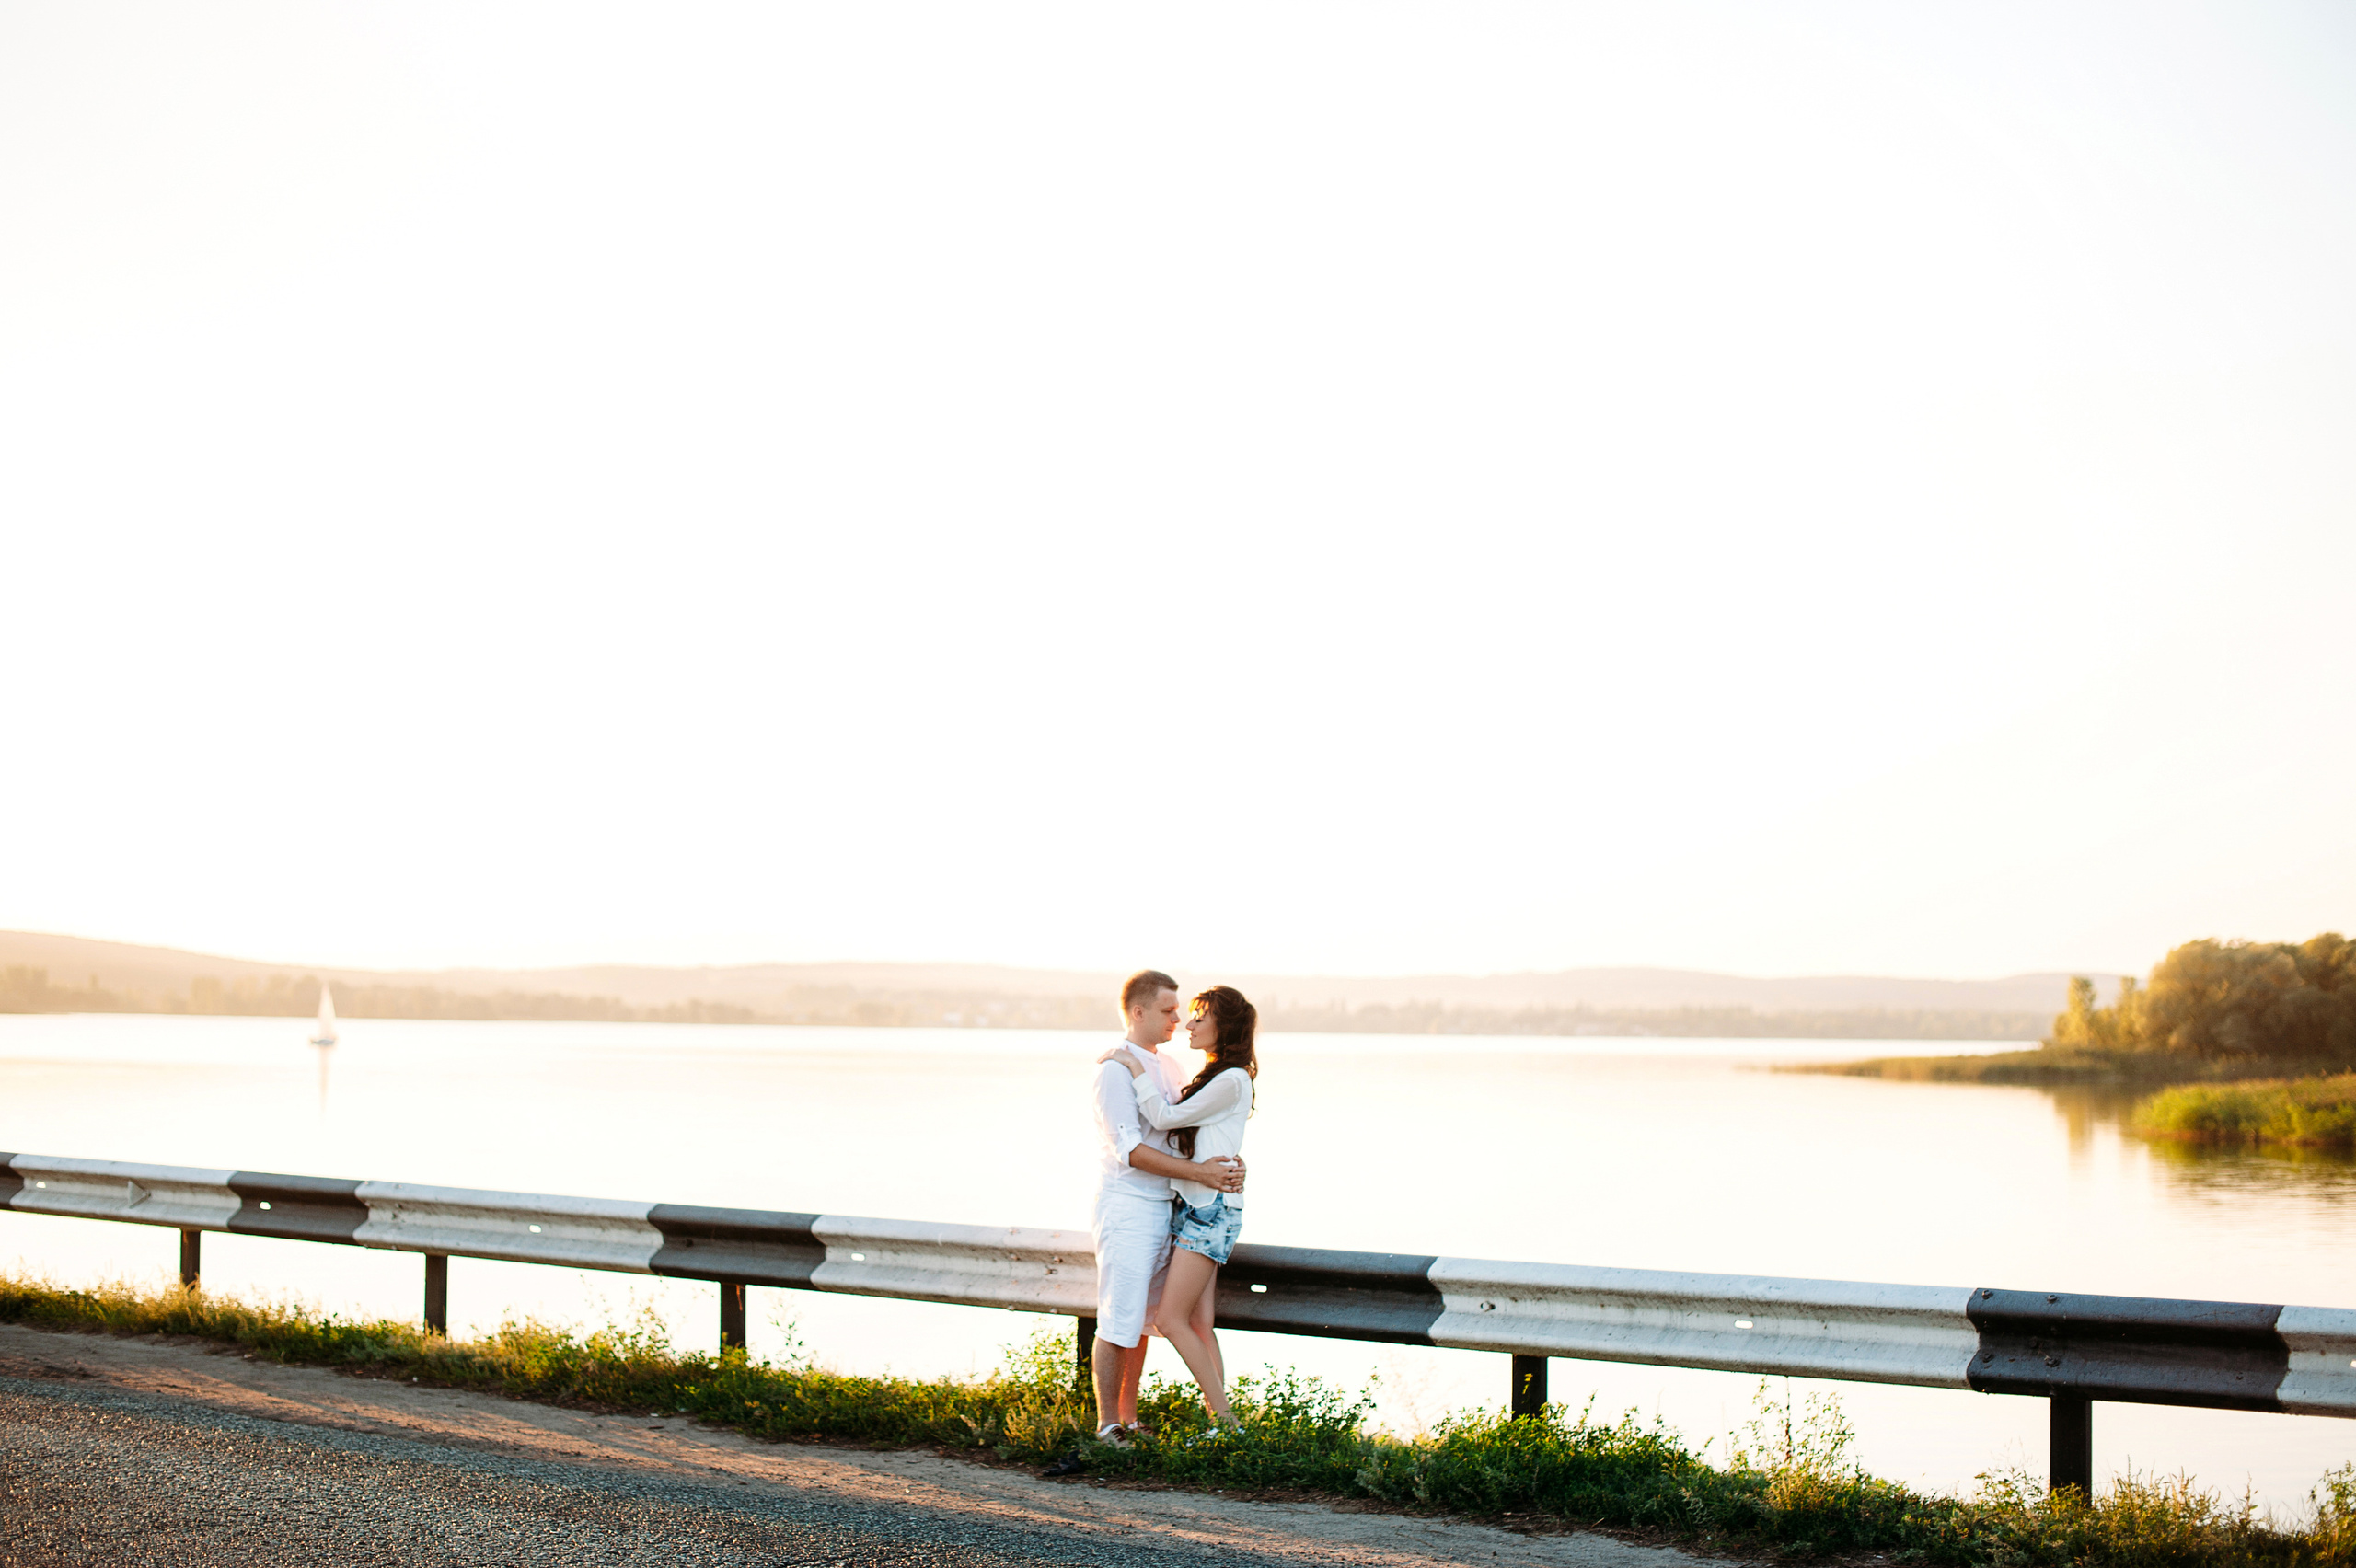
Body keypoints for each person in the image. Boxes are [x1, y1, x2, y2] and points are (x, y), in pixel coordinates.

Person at [1087, 969, 1246, 1445]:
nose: (1178, 1018)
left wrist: (1233, 1165)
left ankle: (1130, 1420)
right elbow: (1130, 1151)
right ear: (1138, 1012)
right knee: (1118, 1318)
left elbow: (1189, 1133)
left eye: (1181, 1011)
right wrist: (1202, 1174)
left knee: (1143, 1321)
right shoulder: (1114, 1069)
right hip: (1129, 1206)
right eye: (1168, 1010)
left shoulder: (1171, 1068)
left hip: (1169, 1208)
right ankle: (1107, 1426)